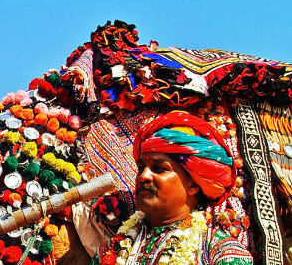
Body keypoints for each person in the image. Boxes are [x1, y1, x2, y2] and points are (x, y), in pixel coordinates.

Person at [93, 111, 253, 265]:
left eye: (159, 168)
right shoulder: (111, 250)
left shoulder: (221, 253)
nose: (143, 176)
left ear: (193, 184)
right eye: (141, 168)